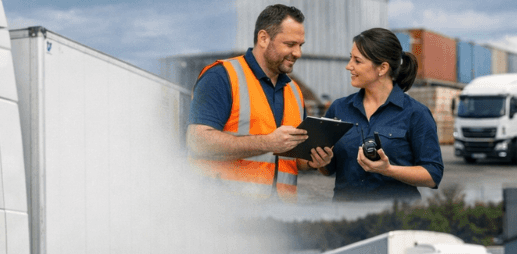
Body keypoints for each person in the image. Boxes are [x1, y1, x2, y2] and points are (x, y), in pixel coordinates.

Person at [187, 4, 330, 200]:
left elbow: (291, 159)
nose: (298, 53)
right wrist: (267, 142)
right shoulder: (222, 76)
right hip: (224, 212)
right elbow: (198, 143)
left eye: (300, 45)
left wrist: (313, 161)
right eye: (290, 44)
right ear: (263, 38)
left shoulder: (294, 91)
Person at [316, 28, 443, 201]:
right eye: (350, 58)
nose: (349, 66)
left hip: (396, 218)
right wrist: (322, 163)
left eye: (357, 61)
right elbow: (329, 169)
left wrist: (388, 170)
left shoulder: (416, 113)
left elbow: (433, 174)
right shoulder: (338, 109)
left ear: (382, 68)